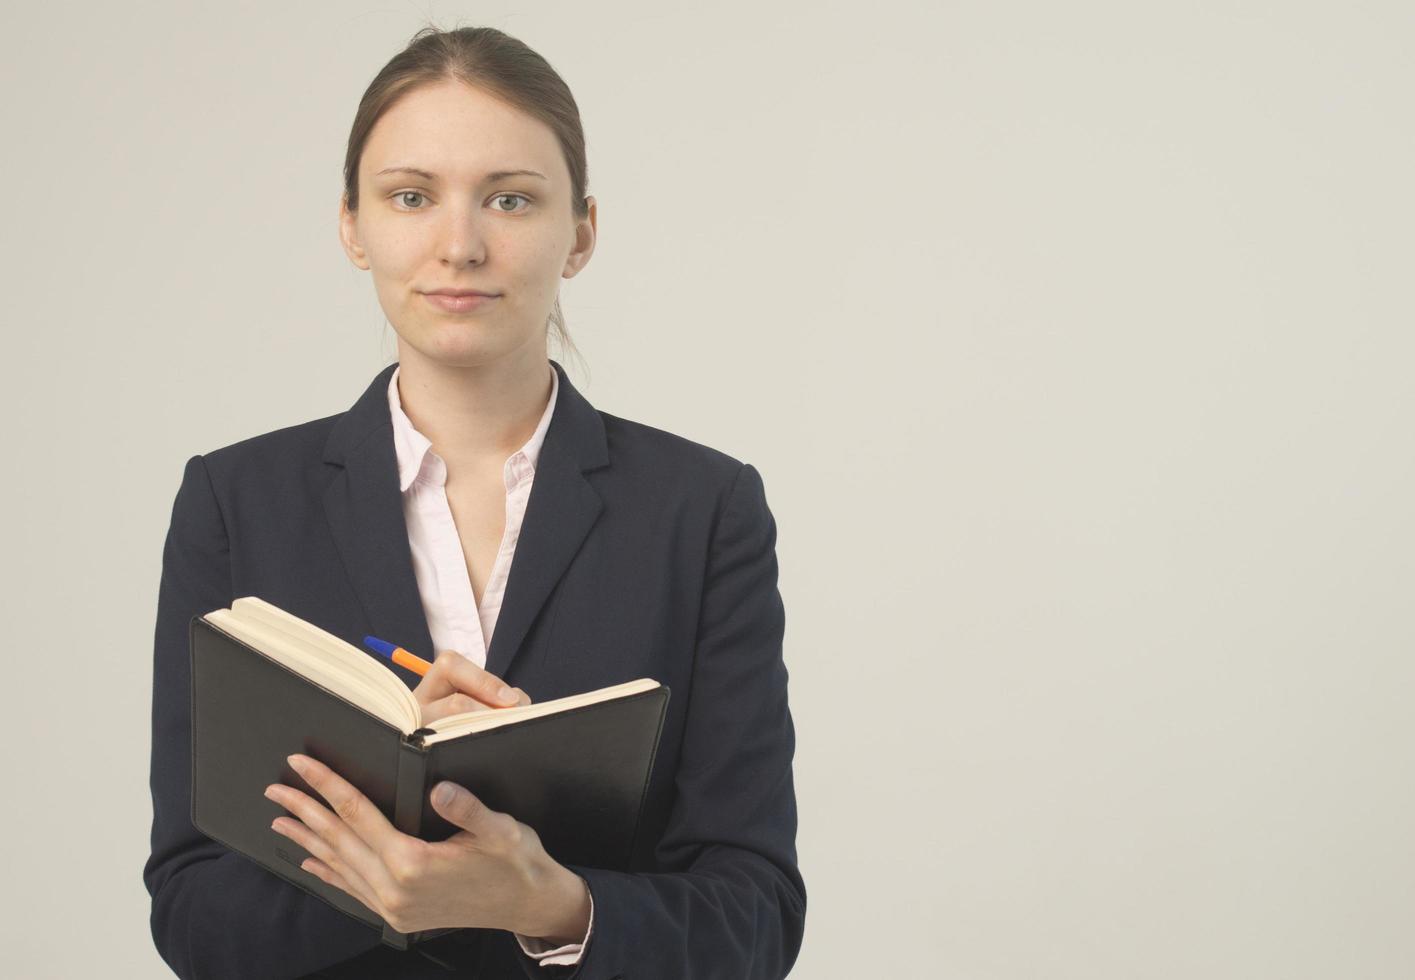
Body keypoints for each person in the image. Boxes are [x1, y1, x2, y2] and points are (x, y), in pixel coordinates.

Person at [142, 24, 805, 980]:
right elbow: (193, 912)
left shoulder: (702, 511)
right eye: (410, 197)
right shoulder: (236, 503)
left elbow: (756, 919)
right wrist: (385, 864)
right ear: (351, 226)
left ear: (579, 231)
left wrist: (548, 906)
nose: (459, 244)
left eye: (510, 198)